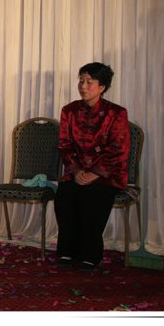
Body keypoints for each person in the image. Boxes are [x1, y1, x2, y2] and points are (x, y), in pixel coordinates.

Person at [54, 62, 130, 271]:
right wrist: (77, 171)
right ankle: (68, 252)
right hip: (76, 172)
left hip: (107, 175)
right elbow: (64, 145)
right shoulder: (69, 111)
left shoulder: (117, 113)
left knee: (91, 199)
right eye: (81, 81)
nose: (83, 86)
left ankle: (90, 255)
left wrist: (95, 173)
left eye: (89, 82)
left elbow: (119, 149)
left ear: (102, 86)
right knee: (65, 197)